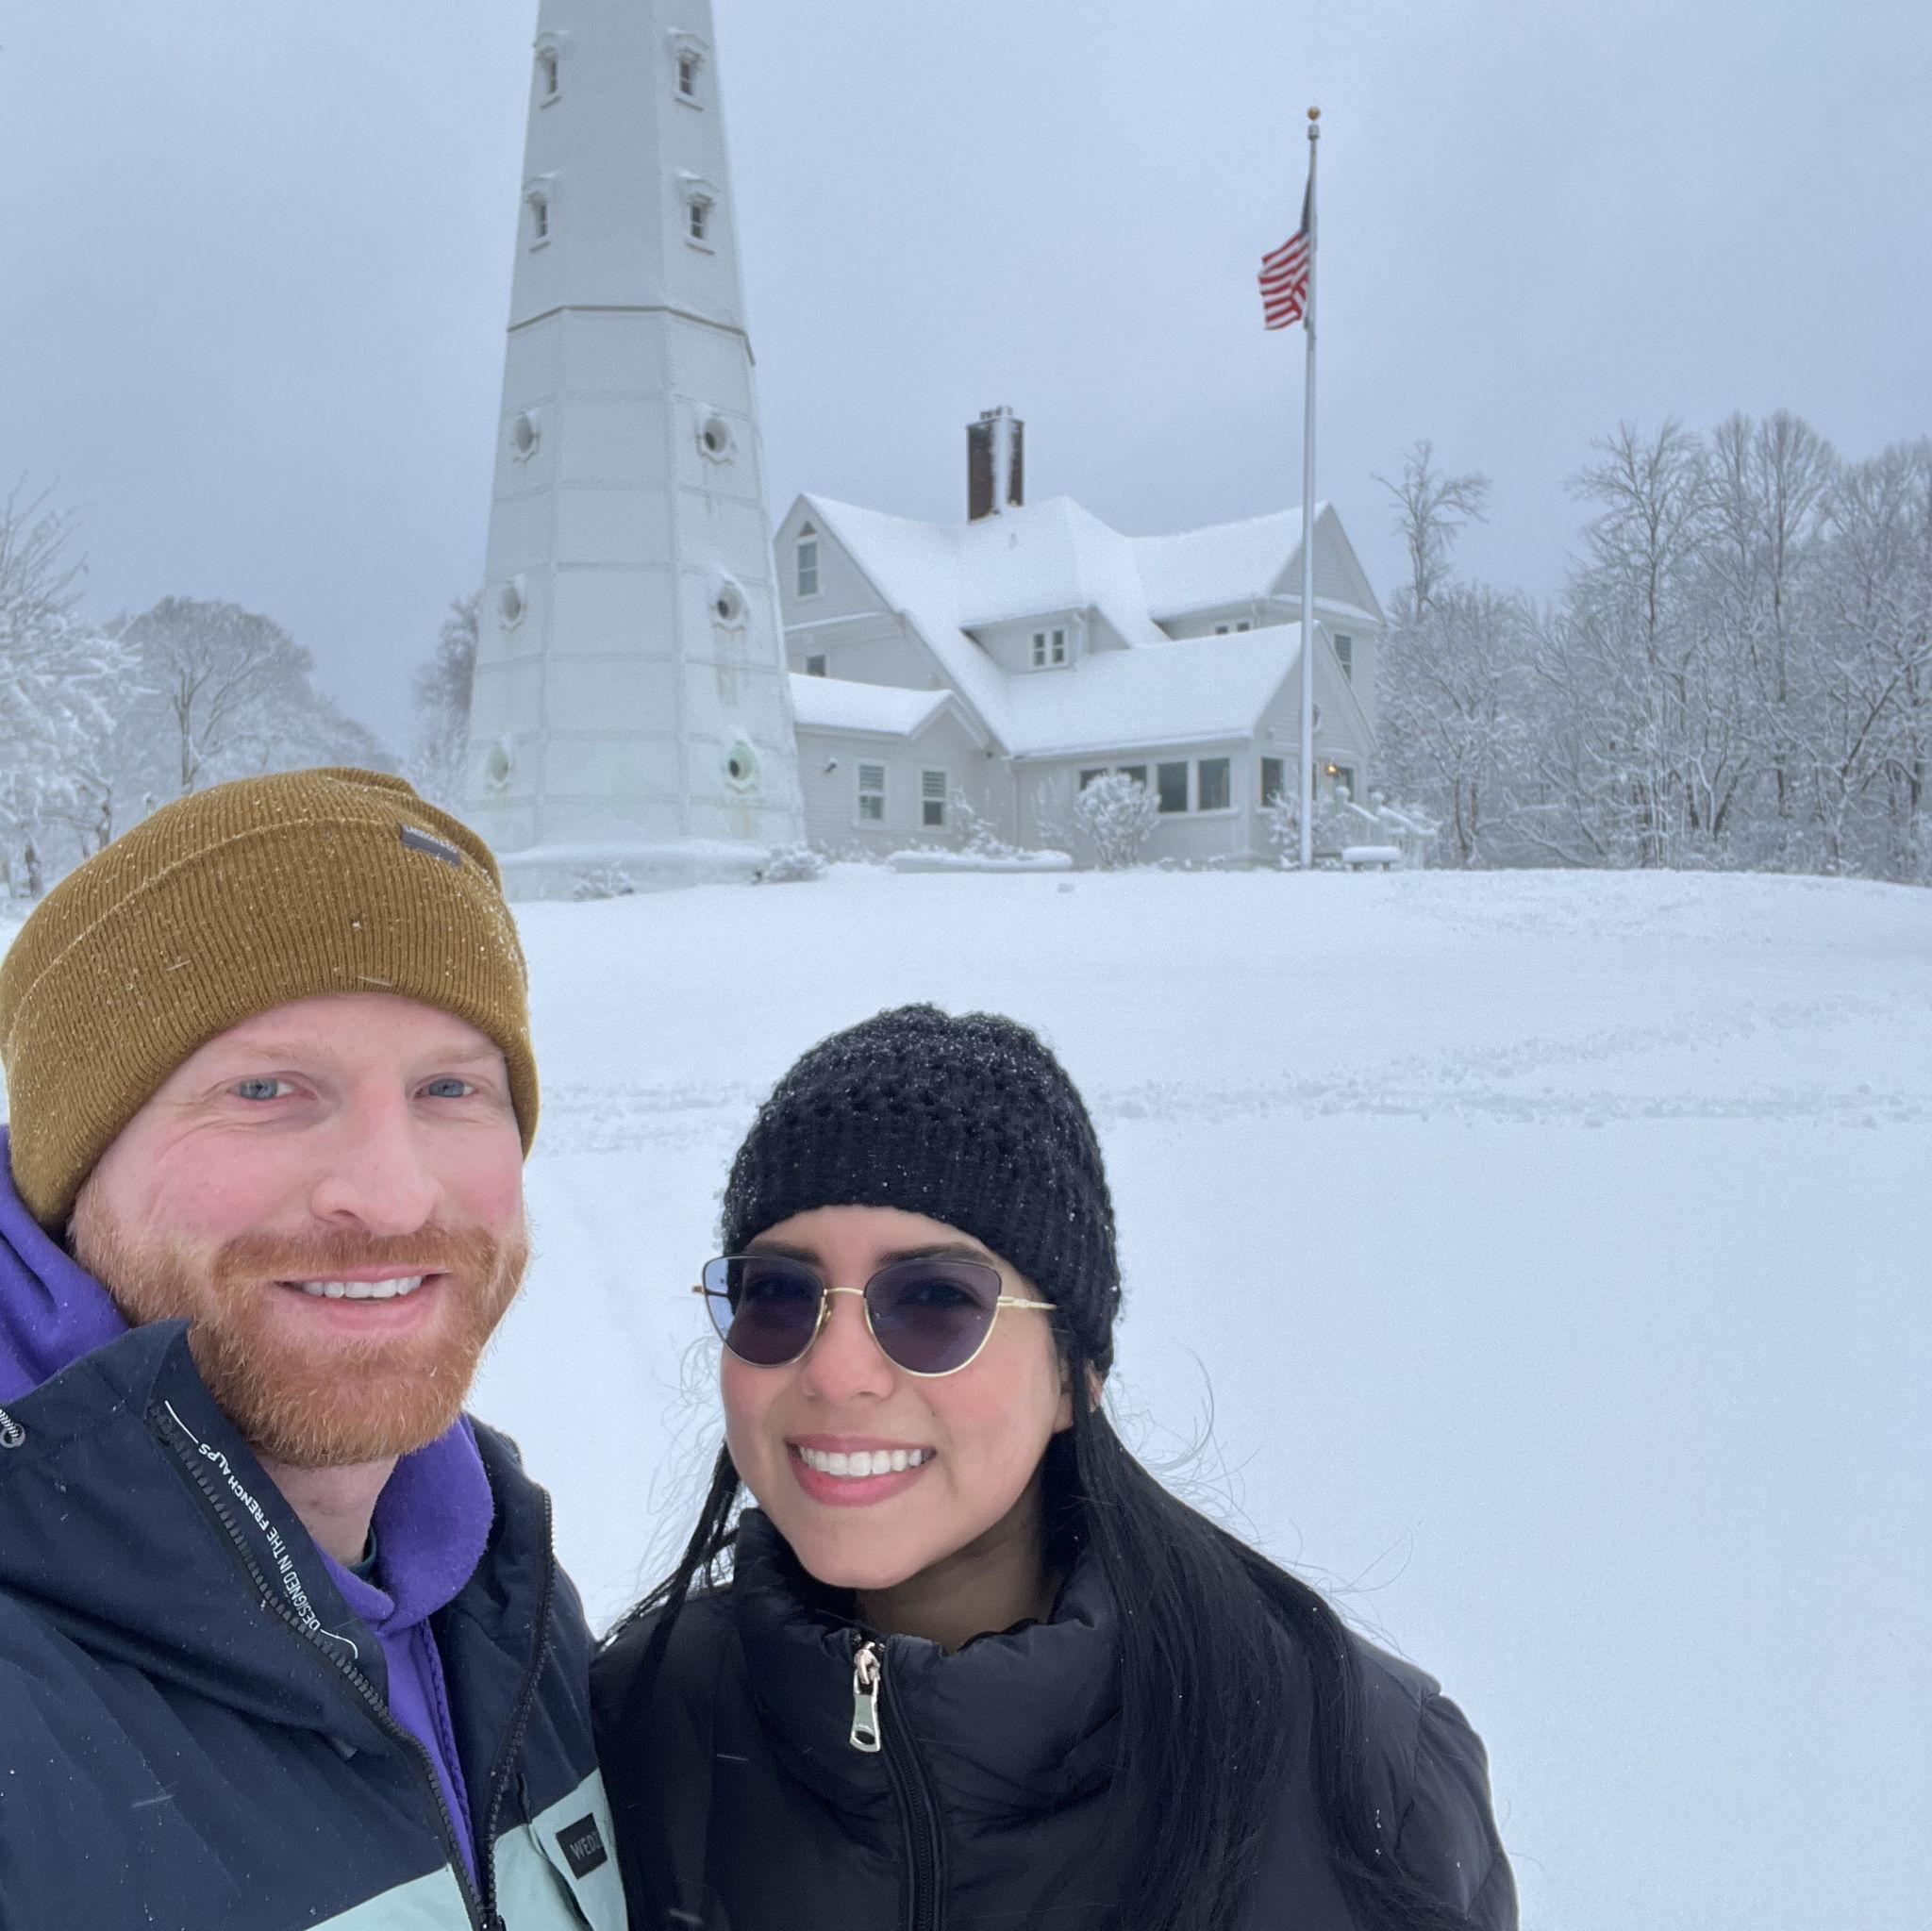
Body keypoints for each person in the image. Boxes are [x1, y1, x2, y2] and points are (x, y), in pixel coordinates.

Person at [594, 1005, 1515, 1931]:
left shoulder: (1357, 1762)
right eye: (779, 1296)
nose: (834, 1372)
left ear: (1075, 1376)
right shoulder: (622, 1737)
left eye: (933, 1302)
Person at [0, 770, 625, 1931]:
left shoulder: (508, 1604)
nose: (389, 1194)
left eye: (451, 1085)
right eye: (266, 1089)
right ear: (71, 1177)